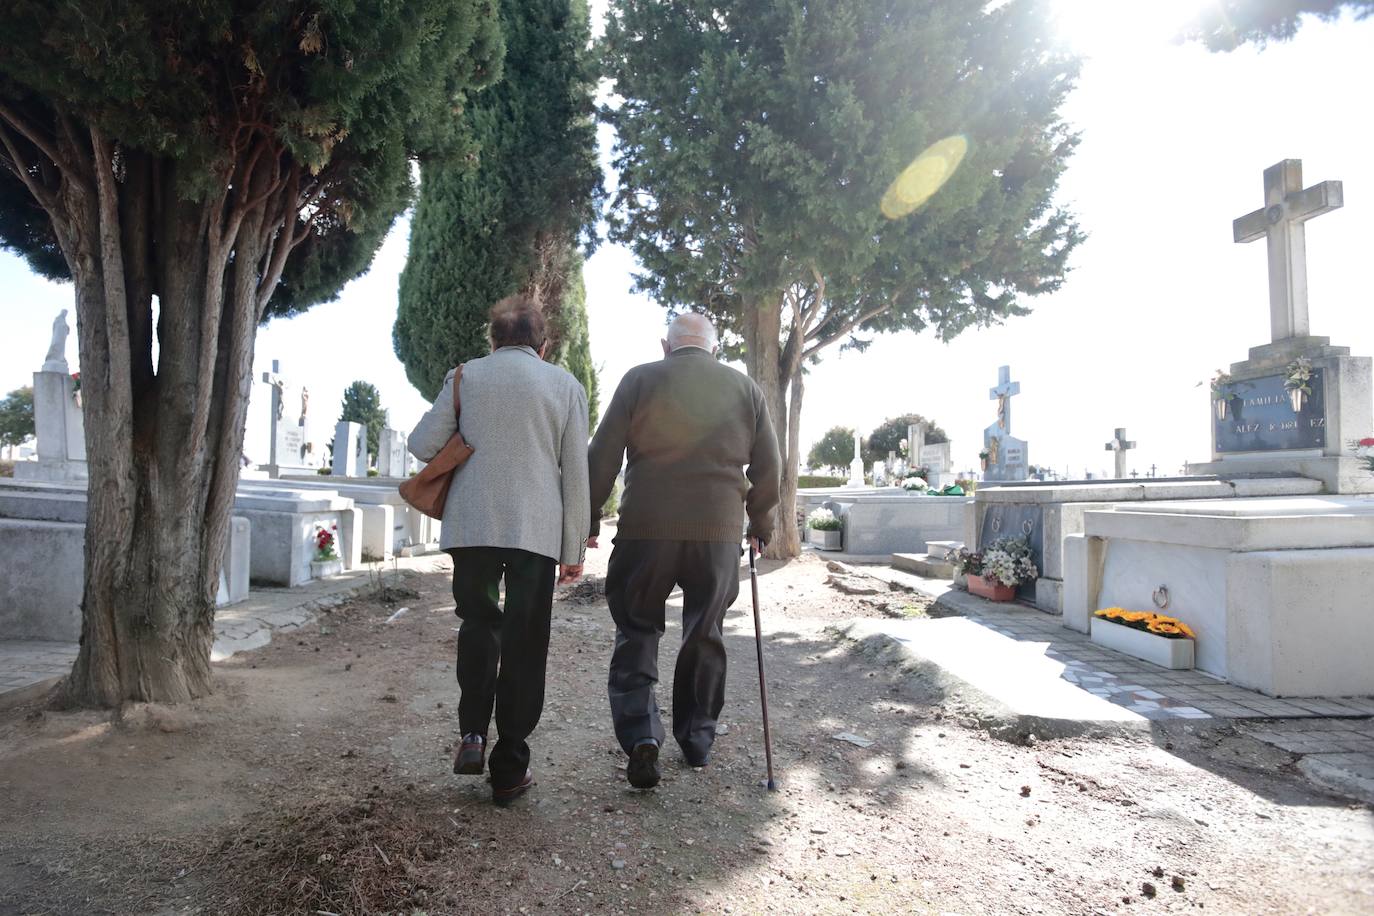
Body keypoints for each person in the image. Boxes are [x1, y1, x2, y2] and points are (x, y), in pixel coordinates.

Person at [408, 296, 590, 805]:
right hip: (535, 534)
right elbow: (576, 471)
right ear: (544, 344)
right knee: (526, 642)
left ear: (493, 340)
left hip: (472, 527)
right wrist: (573, 546)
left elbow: (424, 444)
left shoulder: (464, 375)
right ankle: (509, 768)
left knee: (479, 623)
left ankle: (471, 734)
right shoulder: (565, 386)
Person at [587, 313, 780, 789]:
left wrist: (587, 517)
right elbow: (770, 464)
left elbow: (604, 453)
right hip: (716, 533)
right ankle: (697, 741)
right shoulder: (744, 388)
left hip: (644, 530)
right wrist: (761, 522)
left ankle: (642, 738)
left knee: (637, 628)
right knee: (705, 632)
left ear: (666, 346)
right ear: (715, 348)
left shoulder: (640, 379)